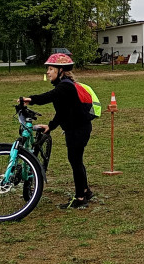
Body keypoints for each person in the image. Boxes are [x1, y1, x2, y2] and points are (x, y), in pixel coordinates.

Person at [18, 53, 95, 209]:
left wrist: (30, 99)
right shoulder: (64, 87)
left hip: (78, 129)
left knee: (75, 161)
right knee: (76, 161)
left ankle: (80, 198)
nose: (48, 72)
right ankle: (85, 191)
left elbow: (49, 97)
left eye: (51, 69)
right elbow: (62, 112)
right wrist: (51, 126)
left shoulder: (65, 86)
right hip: (77, 128)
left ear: (61, 70)